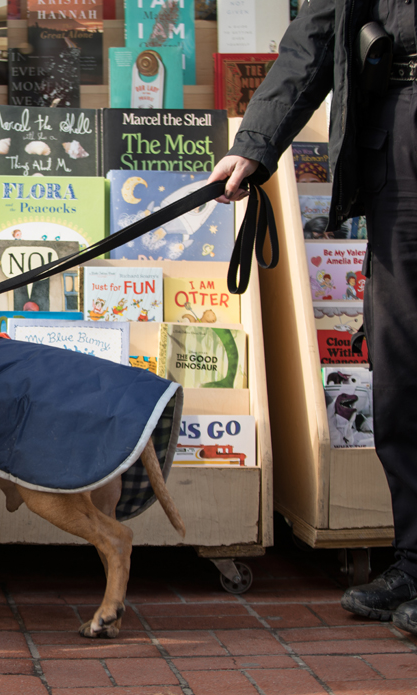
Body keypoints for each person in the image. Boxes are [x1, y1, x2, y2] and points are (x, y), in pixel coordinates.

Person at [207, 0, 417, 635]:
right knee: (400, 368)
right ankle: (413, 559)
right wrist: (256, 144)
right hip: (399, 140)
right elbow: (315, 40)